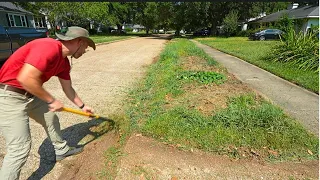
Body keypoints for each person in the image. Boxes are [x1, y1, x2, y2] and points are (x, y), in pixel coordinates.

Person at [0, 26, 96, 180]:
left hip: (30, 94)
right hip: (9, 95)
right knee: (19, 149)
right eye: (86, 46)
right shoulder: (48, 46)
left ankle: (61, 149)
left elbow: (68, 88)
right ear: (79, 41)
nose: (85, 51)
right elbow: (25, 79)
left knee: (50, 116)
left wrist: (83, 107)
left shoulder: (64, 62)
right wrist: (51, 100)